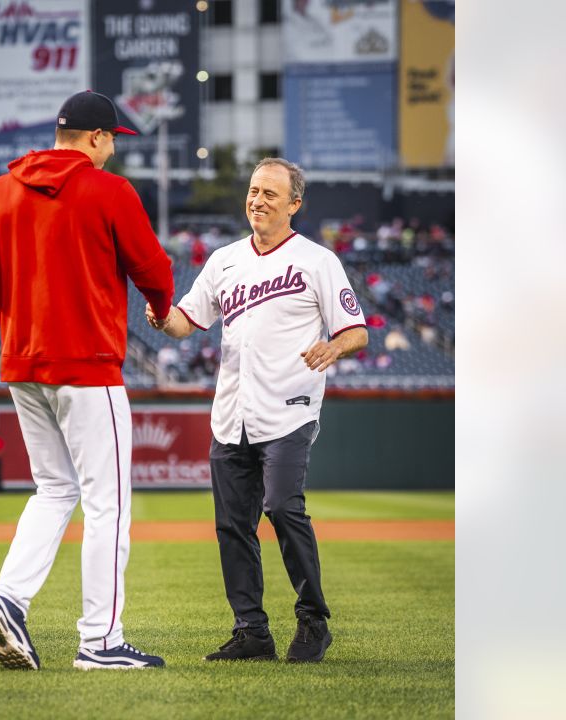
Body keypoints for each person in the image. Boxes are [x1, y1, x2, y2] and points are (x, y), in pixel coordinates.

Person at [0, 90, 174, 671]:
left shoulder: (0, 190)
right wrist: (158, 306)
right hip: (86, 364)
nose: (111, 151)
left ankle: (8, 599)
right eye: (111, 141)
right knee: (109, 503)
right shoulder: (108, 189)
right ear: (97, 138)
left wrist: (31, 292)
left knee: (54, 490)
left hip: (23, 365)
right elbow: (153, 266)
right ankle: (100, 643)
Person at [145, 158, 368, 664]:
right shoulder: (224, 260)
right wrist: (162, 319)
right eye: (252, 190)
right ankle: (252, 632)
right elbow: (187, 321)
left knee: (283, 507)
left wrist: (334, 348)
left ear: (294, 204)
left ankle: (312, 619)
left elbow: (357, 330)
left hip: (289, 409)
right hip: (231, 414)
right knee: (231, 527)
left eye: (270, 192)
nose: (257, 200)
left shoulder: (317, 260)